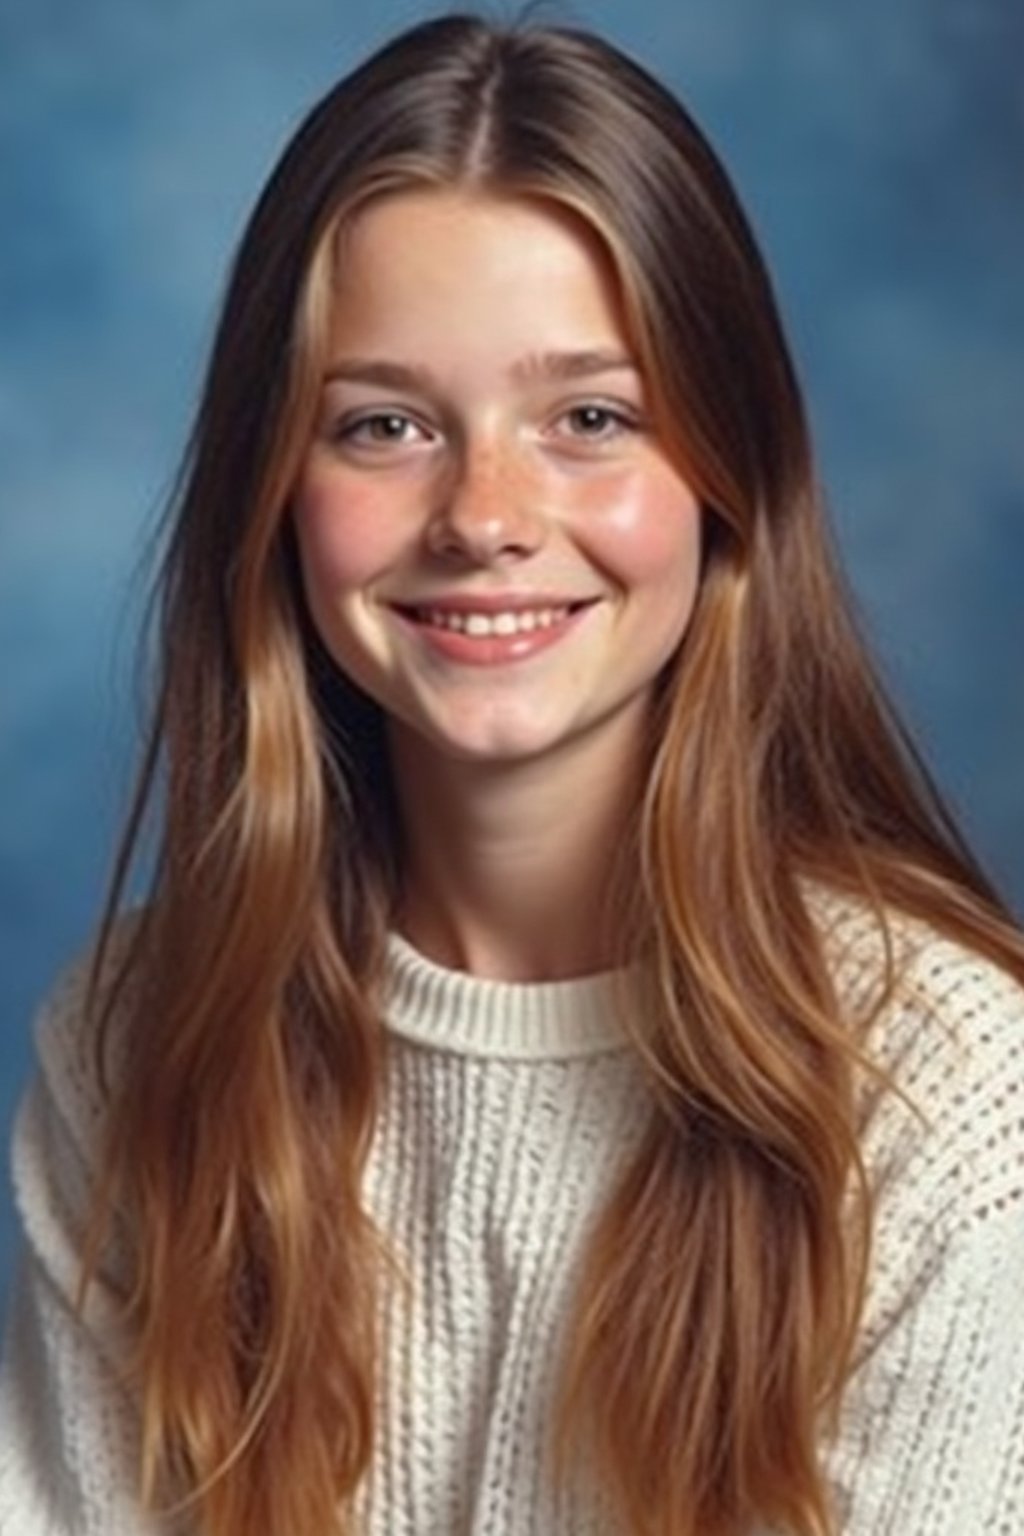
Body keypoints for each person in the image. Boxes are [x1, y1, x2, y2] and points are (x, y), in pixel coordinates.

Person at [2, 11, 1023, 1536]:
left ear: (728, 483)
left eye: (591, 419)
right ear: (272, 493)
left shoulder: (950, 1098)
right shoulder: (138, 1043)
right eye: (386, 424)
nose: (485, 514)